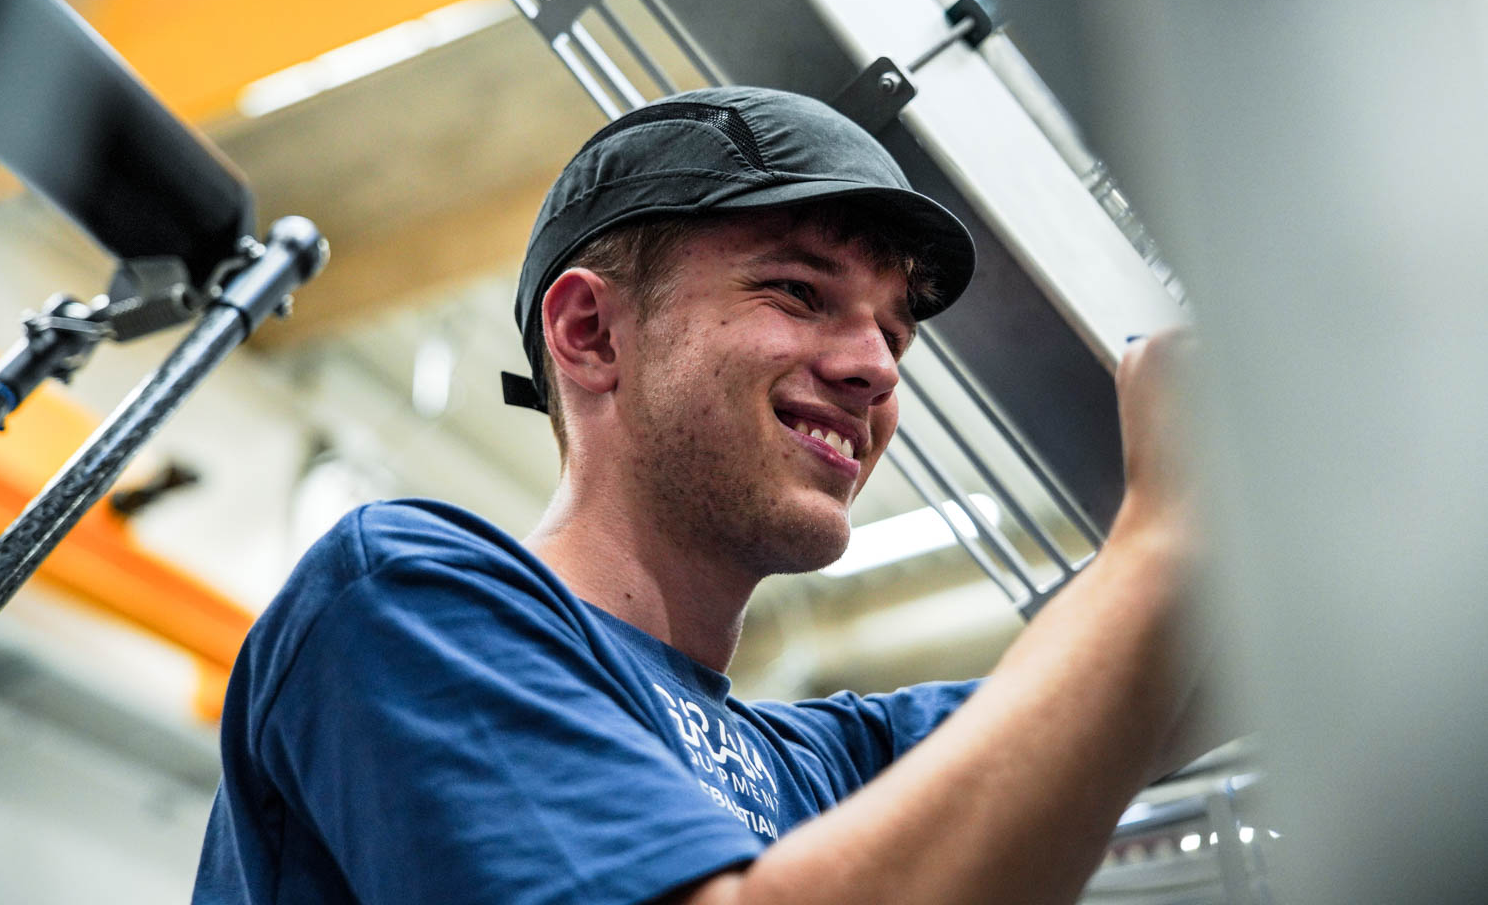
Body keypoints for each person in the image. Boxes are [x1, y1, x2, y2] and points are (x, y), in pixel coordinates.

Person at [192, 85, 1205, 904]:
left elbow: (1167, 681)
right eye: (799, 292)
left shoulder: (821, 768)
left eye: (894, 335)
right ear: (590, 333)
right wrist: (1159, 548)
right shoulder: (404, 601)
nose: (876, 368)